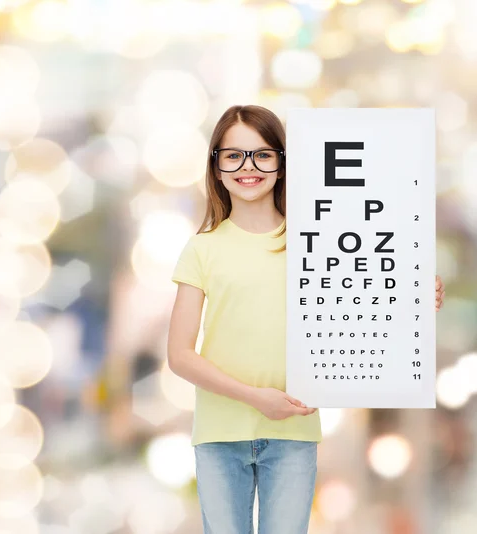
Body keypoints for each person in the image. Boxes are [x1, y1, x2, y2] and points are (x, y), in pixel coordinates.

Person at [167, 104, 446, 534]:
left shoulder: (318, 240)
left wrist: (412, 294)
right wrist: (255, 397)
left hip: (294, 431)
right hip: (220, 434)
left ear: (281, 164)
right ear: (217, 168)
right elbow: (180, 356)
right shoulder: (203, 249)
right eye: (234, 155)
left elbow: (362, 298)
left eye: (263, 154)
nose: (249, 167)